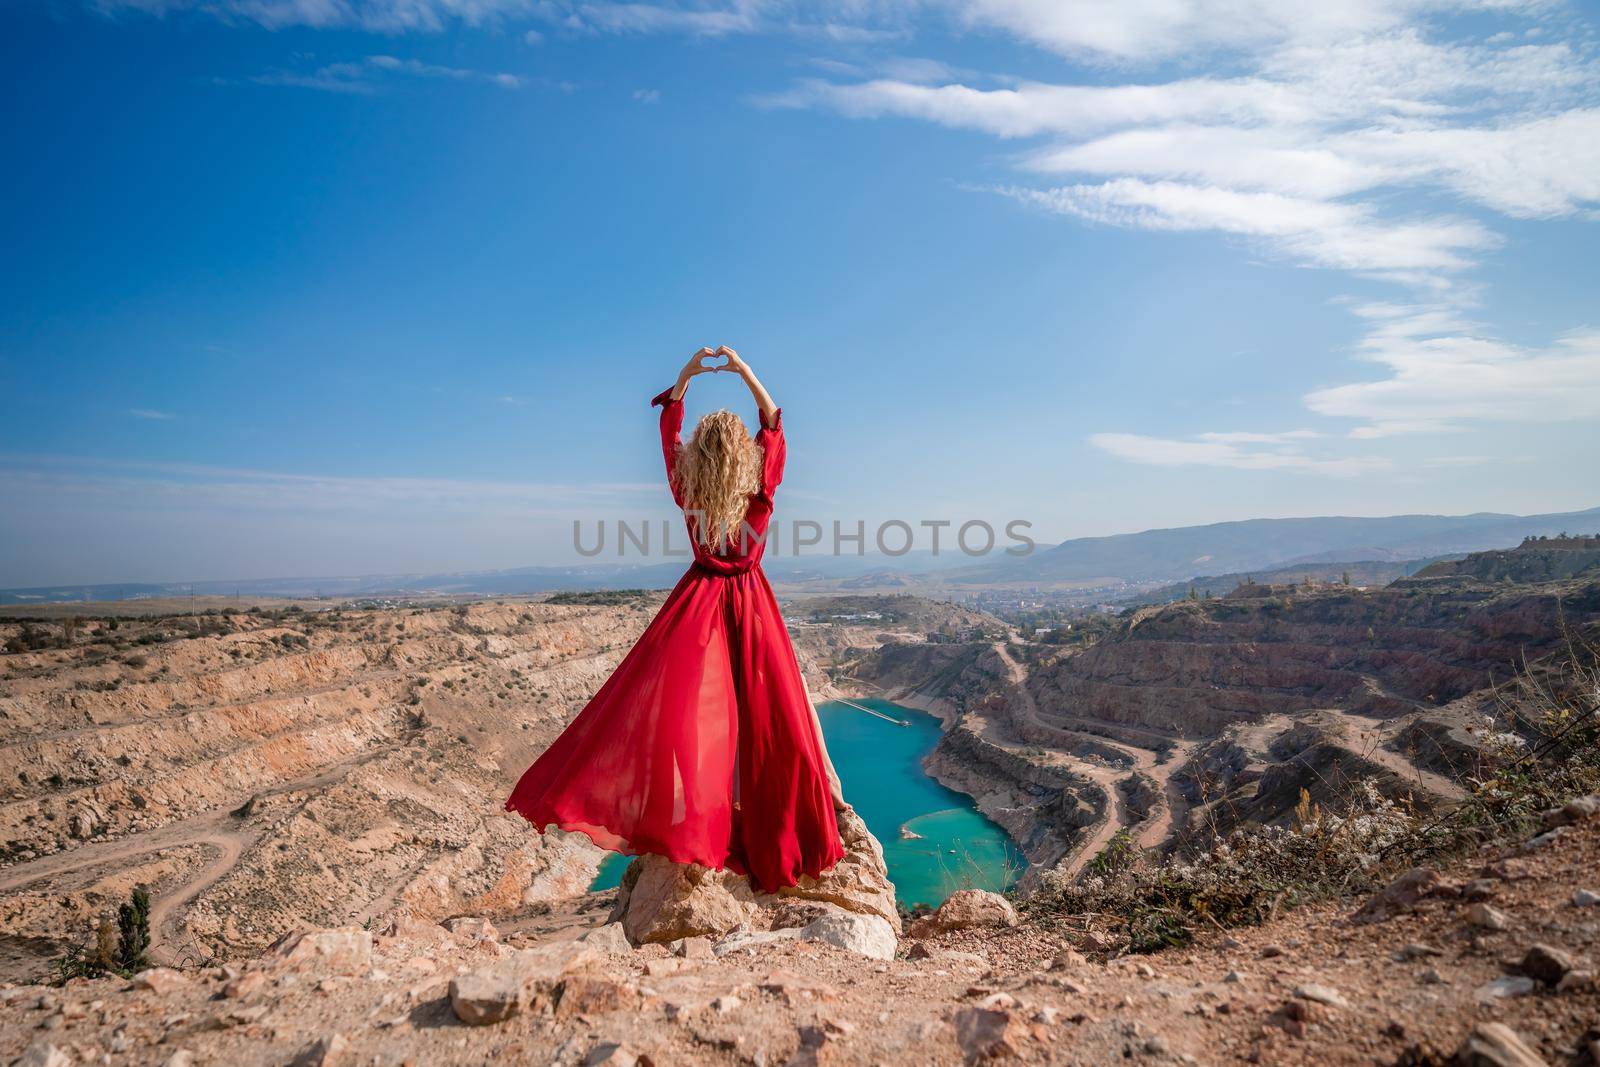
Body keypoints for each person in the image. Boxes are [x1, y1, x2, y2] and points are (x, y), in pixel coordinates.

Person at [505, 346, 847, 892]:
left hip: (698, 604)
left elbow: (669, 438)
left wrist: (685, 379)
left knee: (682, 720)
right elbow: (775, 425)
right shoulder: (760, 490)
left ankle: (701, 827)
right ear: (744, 455)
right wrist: (746, 373)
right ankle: (778, 836)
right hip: (753, 605)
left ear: (701, 457)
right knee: (772, 721)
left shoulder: (687, 487)